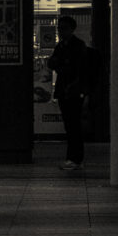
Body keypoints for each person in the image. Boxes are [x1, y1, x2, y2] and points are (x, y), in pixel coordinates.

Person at [47, 15, 91, 171]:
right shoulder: (63, 46)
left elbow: (70, 67)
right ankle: (73, 158)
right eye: (59, 28)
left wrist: (61, 65)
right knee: (70, 125)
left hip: (72, 90)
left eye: (63, 28)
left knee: (73, 125)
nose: (60, 31)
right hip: (66, 90)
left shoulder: (75, 46)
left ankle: (75, 158)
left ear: (71, 29)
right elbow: (53, 63)